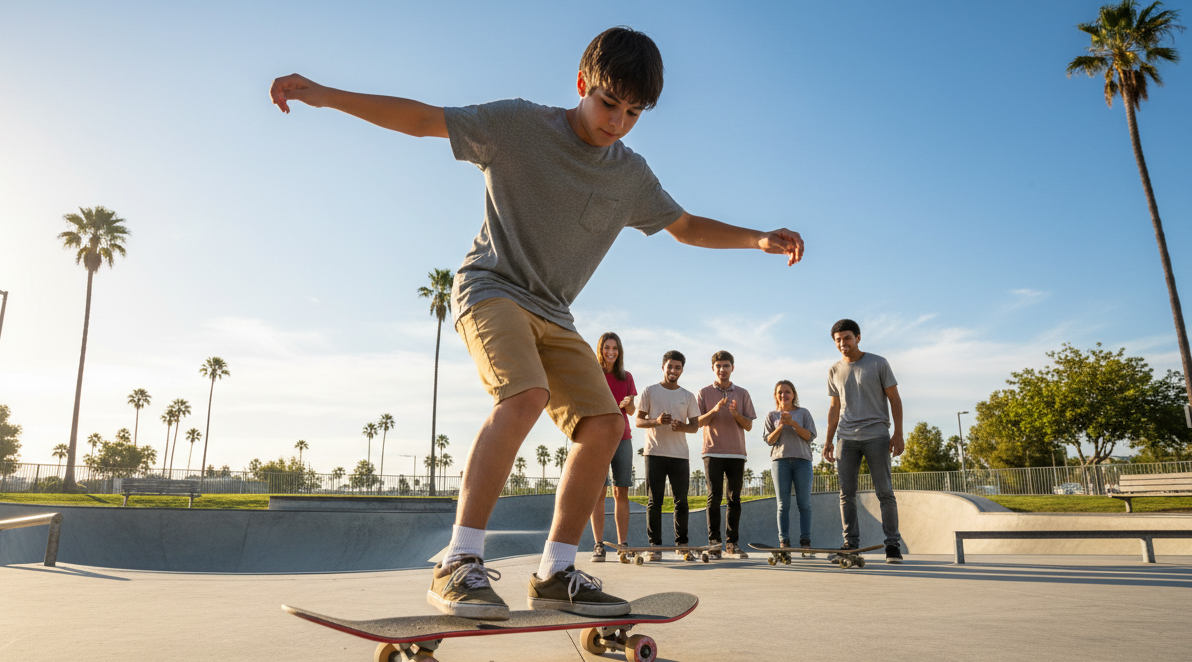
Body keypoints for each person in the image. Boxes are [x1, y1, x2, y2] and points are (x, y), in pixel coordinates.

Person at [270, 27, 804, 620]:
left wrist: (755, 238)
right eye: (608, 104)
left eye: (634, 113)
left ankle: (555, 572)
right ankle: (459, 561)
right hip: (489, 288)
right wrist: (326, 94)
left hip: (554, 313)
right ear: (582, 85)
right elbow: (422, 119)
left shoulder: (631, 174)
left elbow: (685, 227)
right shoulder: (518, 125)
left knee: (604, 425)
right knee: (524, 395)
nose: (618, 123)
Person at [821, 319, 904, 563]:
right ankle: (850, 542)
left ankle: (892, 546)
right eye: (838, 340)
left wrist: (898, 433)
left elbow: (895, 399)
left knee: (884, 492)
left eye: (847, 338)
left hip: (876, 434)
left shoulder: (878, 363)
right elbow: (834, 408)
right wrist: (828, 441)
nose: (842, 343)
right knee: (846, 494)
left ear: (858, 337)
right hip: (845, 438)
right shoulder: (834, 370)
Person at [635, 350, 700, 560]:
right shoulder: (649, 391)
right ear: (663, 367)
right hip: (654, 453)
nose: (673, 371)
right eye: (670, 366)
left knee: (681, 501)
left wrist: (682, 426)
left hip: (679, 456)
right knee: (655, 501)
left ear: (682, 370)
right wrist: (656, 421)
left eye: (678, 367)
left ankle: (682, 544)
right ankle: (655, 547)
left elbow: (695, 427)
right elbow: (638, 421)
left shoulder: (688, 396)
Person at [696, 351, 757, 558]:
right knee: (714, 498)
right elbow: (697, 423)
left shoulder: (742, 393)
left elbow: (748, 425)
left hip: (736, 453)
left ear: (732, 368)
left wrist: (735, 413)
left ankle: (732, 543)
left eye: (726, 366)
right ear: (713, 368)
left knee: (734, 499)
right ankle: (714, 543)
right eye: (718, 366)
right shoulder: (704, 393)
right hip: (712, 452)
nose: (722, 370)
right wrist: (714, 410)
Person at [589, 332, 636, 562]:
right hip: (599, 439)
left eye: (615, 348)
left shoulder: (626, 377)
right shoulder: (593, 374)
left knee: (621, 491)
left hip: (623, 438)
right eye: (607, 347)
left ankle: (623, 544)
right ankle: (598, 545)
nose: (611, 352)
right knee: (599, 492)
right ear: (601, 349)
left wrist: (628, 404)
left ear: (619, 351)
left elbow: (633, 411)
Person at [762, 380, 817, 549]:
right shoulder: (772, 416)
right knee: (782, 504)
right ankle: (784, 541)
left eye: (787, 392)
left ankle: (805, 541)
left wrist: (792, 423)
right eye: (780, 392)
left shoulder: (803, 413)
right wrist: (780, 426)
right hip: (780, 462)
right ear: (775, 395)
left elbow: (809, 436)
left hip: (802, 461)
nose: (783, 395)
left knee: (804, 504)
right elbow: (769, 440)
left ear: (793, 395)